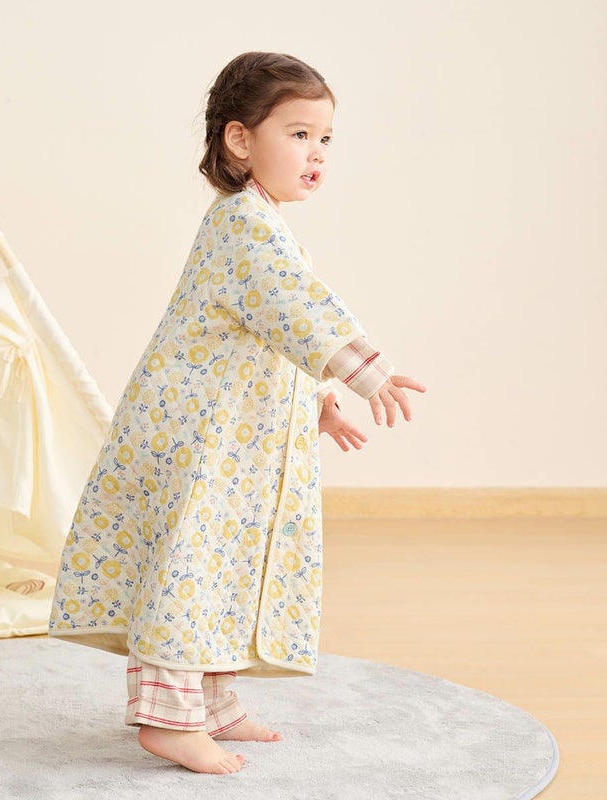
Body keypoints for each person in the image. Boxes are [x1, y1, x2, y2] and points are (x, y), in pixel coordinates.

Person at [49, 51, 426, 775]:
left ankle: (214, 703)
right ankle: (168, 718)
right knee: (190, 564)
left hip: (230, 442)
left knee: (225, 564)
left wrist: (319, 402)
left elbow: (268, 333)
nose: (317, 154)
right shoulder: (242, 226)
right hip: (196, 437)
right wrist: (366, 372)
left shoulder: (267, 224)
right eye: (299, 134)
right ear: (240, 139)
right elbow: (296, 309)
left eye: (325, 138)